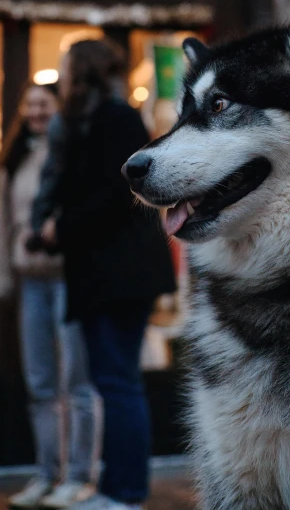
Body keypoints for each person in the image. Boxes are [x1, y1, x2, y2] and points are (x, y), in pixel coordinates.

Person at [32, 39, 175, 510]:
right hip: (106, 275)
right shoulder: (95, 120)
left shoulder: (113, 118)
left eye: (67, 67)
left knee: (117, 382)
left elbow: (116, 197)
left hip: (119, 275)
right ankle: (118, 487)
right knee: (113, 381)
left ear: (83, 72)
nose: (63, 75)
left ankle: (125, 492)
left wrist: (60, 226)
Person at [0, 82, 99, 510]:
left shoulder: (70, 153)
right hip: (30, 282)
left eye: (44, 103)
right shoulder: (13, 161)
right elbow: (3, 224)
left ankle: (79, 477)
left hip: (69, 277)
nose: (37, 110)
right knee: (40, 384)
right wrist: (5, 275)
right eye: (31, 104)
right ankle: (46, 474)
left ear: (57, 107)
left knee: (76, 383)